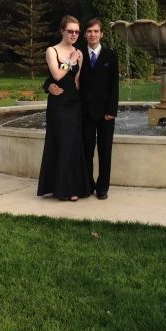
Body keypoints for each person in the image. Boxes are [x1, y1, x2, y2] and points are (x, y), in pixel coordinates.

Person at [48, 19, 119, 200]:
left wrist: (112, 109)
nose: (92, 34)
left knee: (105, 151)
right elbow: (64, 78)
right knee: (85, 151)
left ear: (102, 34)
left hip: (105, 113)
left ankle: (102, 187)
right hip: (84, 112)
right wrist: (48, 84)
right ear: (85, 34)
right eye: (89, 31)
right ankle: (87, 185)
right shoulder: (78, 54)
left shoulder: (111, 56)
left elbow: (114, 86)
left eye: (96, 31)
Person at [36, 16, 90, 201]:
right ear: (62, 31)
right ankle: (59, 188)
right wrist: (71, 61)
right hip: (58, 105)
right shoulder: (52, 50)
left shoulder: (80, 53)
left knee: (73, 145)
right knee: (60, 143)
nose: (74, 34)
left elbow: (76, 82)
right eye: (70, 31)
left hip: (74, 104)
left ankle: (73, 187)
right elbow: (57, 75)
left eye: (77, 31)